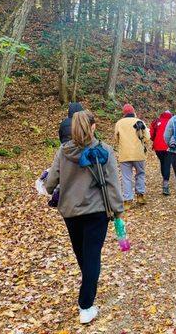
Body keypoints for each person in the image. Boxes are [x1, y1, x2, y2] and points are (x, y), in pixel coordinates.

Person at [44, 110, 124, 324]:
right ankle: (86, 306)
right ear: (93, 127)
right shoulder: (104, 151)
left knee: (83, 254)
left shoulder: (64, 151)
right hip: (97, 212)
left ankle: (87, 293)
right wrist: (118, 211)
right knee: (91, 256)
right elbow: (113, 184)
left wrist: (45, 187)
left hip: (70, 212)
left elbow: (51, 182)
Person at [114, 104, 149, 207]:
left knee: (126, 177)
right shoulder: (140, 122)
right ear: (133, 112)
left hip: (124, 154)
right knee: (140, 174)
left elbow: (116, 138)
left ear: (124, 113)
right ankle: (140, 195)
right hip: (138, 154)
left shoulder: (119, 123)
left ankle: (127, 200)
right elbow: (147, 137)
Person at [150, 110, 173, 195]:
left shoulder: (156, 121)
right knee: (167, 164)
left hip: (158, 147)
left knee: (163, 163)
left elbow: (151, 135)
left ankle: (165, 179)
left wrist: (155, 140)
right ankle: (165, 184)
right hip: (168, 146)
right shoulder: (173, 121)